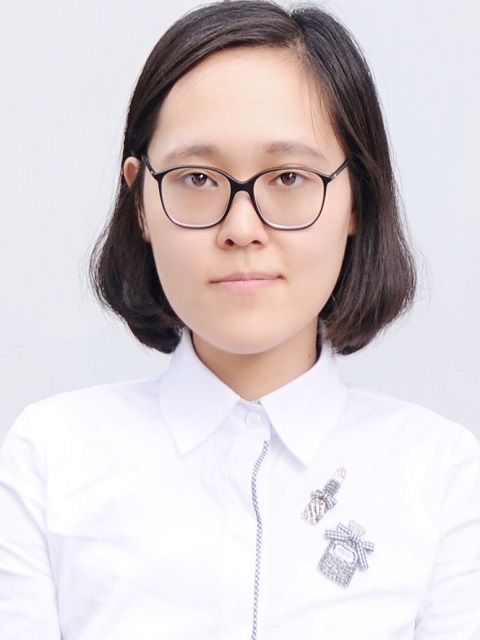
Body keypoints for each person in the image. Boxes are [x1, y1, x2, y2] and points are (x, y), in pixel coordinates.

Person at [0, 1, 479, 638]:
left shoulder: (441, 476)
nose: (242, 228)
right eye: (198, 178)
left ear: (356, 199)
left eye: (290, 176)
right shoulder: (49, 459)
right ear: (141, 201)